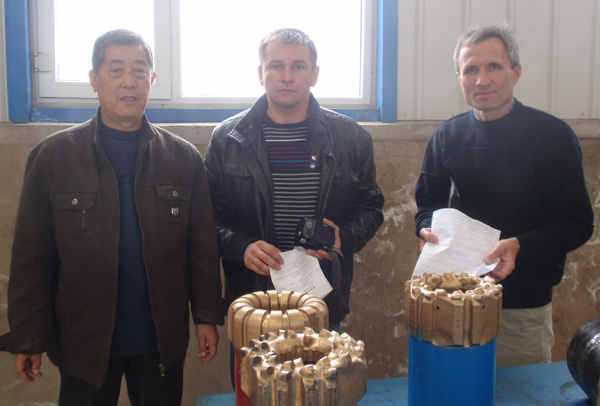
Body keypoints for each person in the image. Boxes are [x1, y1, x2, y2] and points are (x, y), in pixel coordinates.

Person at [0, 29, 224, 406]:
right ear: (94, 79)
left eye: (139, 70)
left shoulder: (183, 158)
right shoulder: (53, 157)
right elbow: (31, 258)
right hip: (82, 341)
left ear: (152, 78)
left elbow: (202, 248)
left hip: (160, 340)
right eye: (116, 69)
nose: (128, 81)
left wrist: (206, 317)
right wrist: (28, 336)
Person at [414, 23, 594, 367]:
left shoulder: (552, 136)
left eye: (494, 66)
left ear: (516, 73)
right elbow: (428, 205)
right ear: (459, 77)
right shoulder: (447, 135)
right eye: (471, 69)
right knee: (456, 387)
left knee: (520, 389)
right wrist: (425, 228)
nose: (482, 80)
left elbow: (577, 223)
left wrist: (520, 246)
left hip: (522, 307)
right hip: (455, 300)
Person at [204, 28, 384, 332]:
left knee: (320, 366)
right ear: (261, 73)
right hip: (253, 303)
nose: (286, 76)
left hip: (321, 301)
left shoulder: (352, 138)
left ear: (314, 74)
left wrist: (343, 237)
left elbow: (371, 206)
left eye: (298, 66)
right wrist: (241, 247)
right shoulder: (227, 139)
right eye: (276, 66)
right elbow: (207, 216)